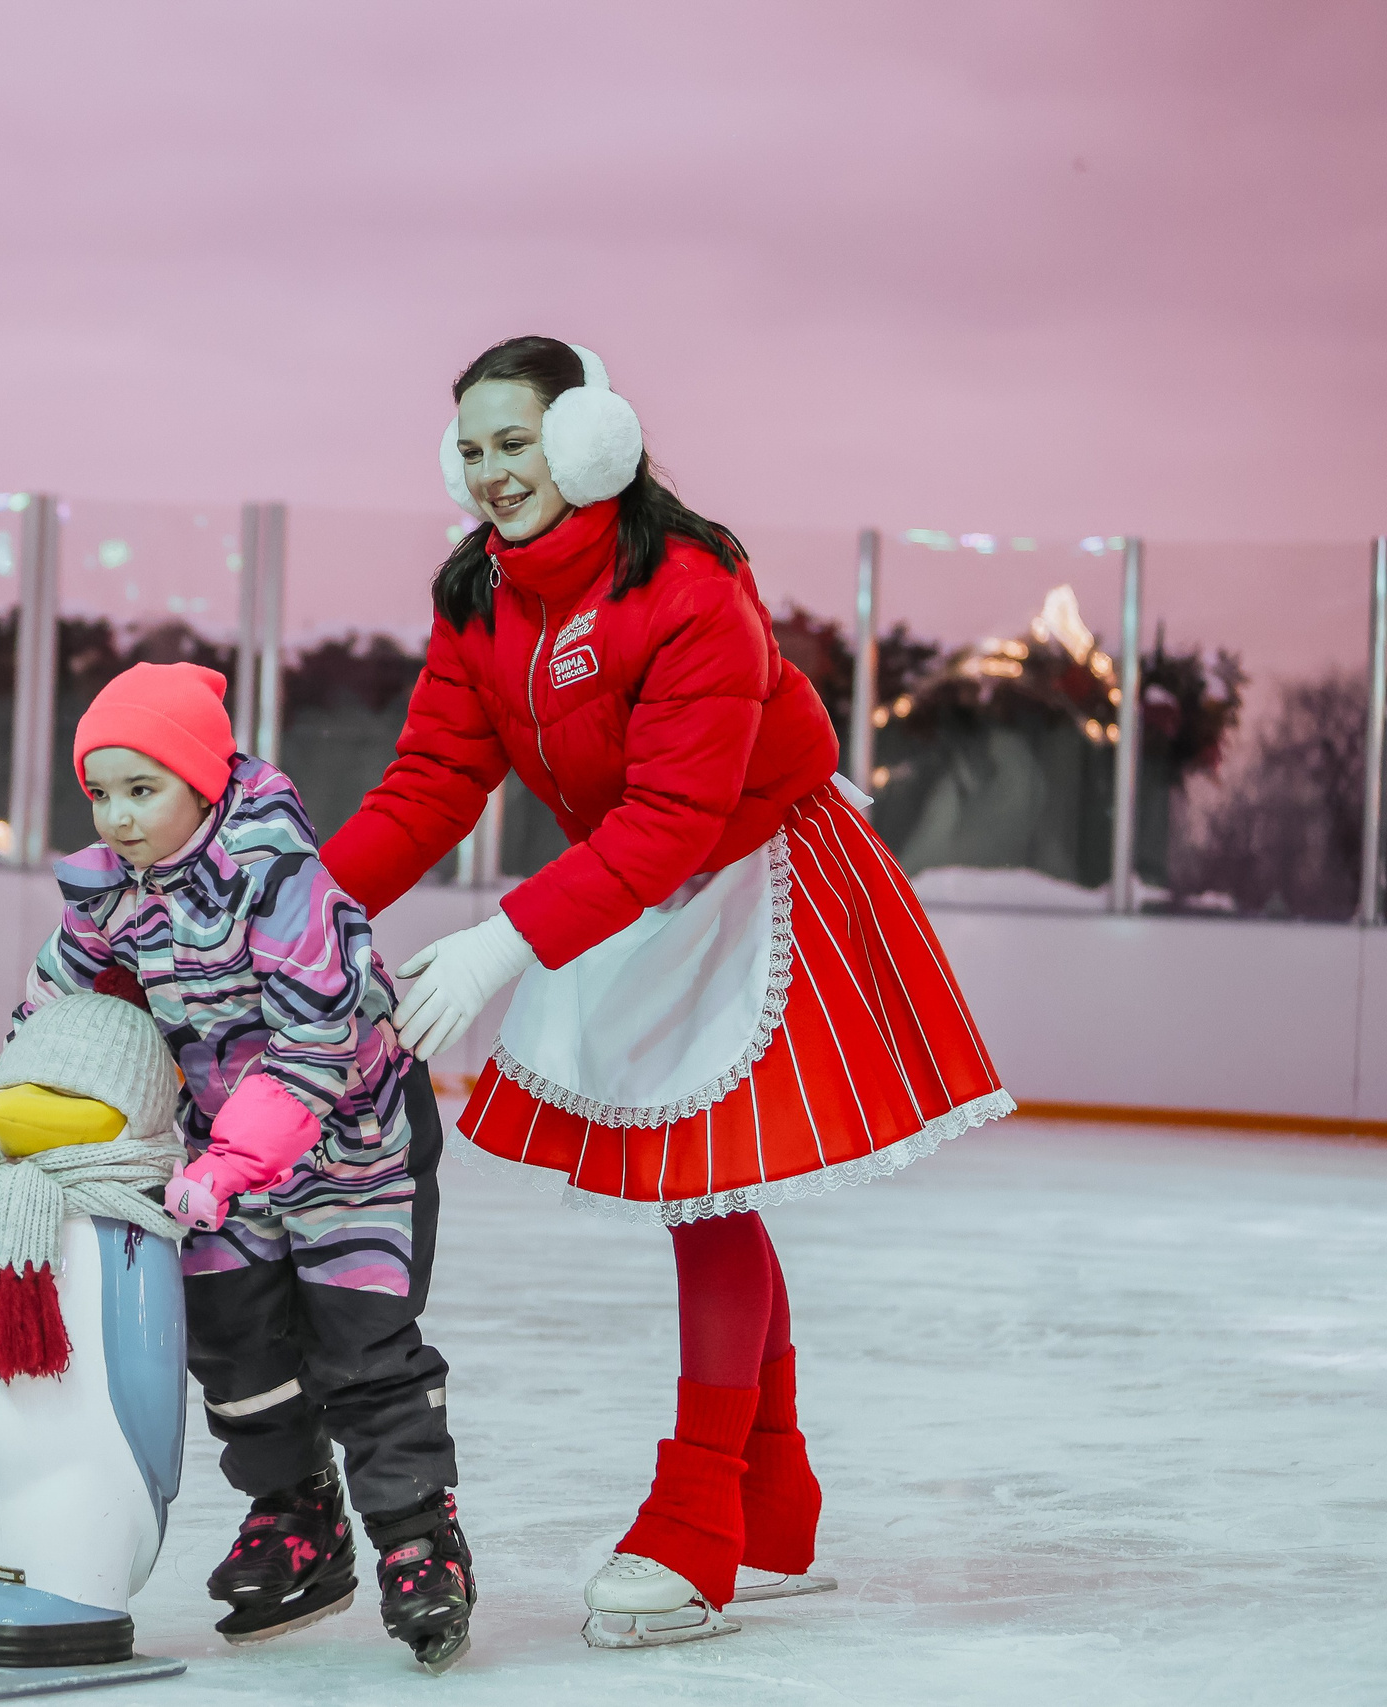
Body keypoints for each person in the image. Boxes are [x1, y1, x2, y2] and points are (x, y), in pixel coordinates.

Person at [321, 336, 1013, 1648]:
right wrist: (288, 910)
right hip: (643, 876)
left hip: (760, 867)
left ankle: (701, 1523)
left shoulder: (695, 587)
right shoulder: (479, 594)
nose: (489, 472)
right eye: (469, 449)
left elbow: (673, 822)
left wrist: (497, 944)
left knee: (707, 1187)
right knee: (714, 1188)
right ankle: (778, 1509)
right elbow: (428, 784)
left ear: (590, 438)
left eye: (514, 442)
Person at [0, 663, 475, 1674]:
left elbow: (315, 1047)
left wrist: (230, 1162)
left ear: (202, 783)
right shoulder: (109, 895)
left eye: (143, 790)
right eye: (100, 792)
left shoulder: (285, 883)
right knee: (230, 1342)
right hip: (224, 1153)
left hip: (357, 1144)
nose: (120, 817)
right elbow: (51, 1021)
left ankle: (416, 1540)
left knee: (361, 1346)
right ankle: (297, 1517)